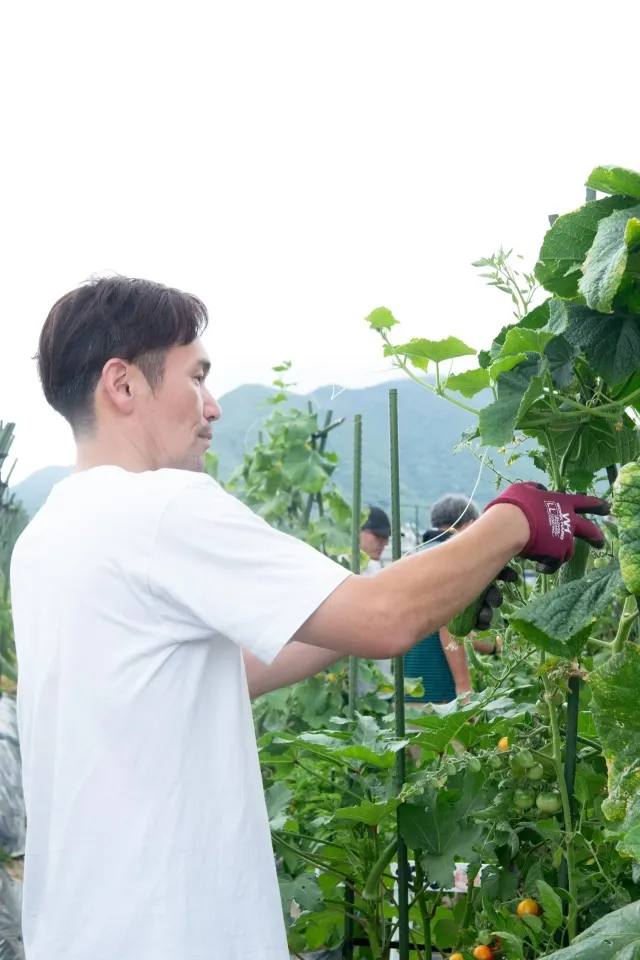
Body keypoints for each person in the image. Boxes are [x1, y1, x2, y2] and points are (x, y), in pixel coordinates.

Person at [9, 275, 608, 960]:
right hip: (174, 935)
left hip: (81, 933)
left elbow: (218, 674)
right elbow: (383, 618)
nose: (212, 405)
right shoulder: (162, 507)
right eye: (196, 376)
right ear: (123, 385)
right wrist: (515, 519)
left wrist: (444, 577)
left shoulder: (49, 537)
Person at [359, 505, 391, 572]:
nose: (385, 543)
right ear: (358, 532)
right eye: (378, 536)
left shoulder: (375, 568)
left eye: (386, 537)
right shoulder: (341, 564)